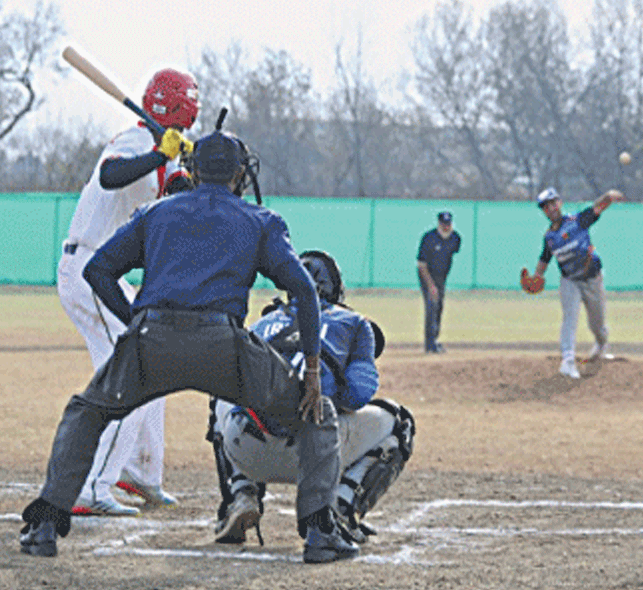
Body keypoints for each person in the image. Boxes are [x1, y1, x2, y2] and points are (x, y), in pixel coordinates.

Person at [20, 128, 358, 564]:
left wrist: (134, 324)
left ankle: (45, 524)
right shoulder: (261, 221)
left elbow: (99, 270)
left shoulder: (155, 213)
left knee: (87, 413)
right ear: (240, 173)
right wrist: (312, 371)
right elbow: (305, 291)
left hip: (152, 341)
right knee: (317, 415)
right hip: (224, 346)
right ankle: (319, 532)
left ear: (193, 170)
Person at [58, 68, 199, 516]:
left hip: (111, 272)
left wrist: (193, 167)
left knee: (151, 361)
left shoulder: (166, 151)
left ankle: (141, 471)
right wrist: (160, 153)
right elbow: (110, 177)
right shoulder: (135, 141)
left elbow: (179, 195)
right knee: (130, 371)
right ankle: (89, 487)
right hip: (88, 266)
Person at [209, 250, 415, 546]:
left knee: (223, 396)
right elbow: (357, 396)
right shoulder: (355, 324)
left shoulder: (261, 325)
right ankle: (342, 509)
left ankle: (240, 495)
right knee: (400, 422)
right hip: (316, 455)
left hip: (248, 447)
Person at [522, 187, 624, 379]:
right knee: (570, 318)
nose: (550, 209)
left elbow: (596, 208)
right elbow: (545, 259)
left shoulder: (577, 221)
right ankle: (568, 360)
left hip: (592, 278)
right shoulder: (550, 238)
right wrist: (537, 276)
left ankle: (601, 344)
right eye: (546, 207)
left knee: (598, 324)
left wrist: (609, 196)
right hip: (570, 281)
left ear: (559, 203)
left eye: (553, 203)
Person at [417, 211, 461, 353]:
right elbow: (421, 265)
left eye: (448, 224)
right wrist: (431, 286)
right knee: (431, 307)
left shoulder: (455, 239)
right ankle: (429, 345)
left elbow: (451, 253)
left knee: (439, 307)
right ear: (439, 224)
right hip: (426, 275)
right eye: (443, 224)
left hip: (441, 277)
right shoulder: (428, 238)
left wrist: (439, 283)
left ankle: (434, 340)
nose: (446, 227)